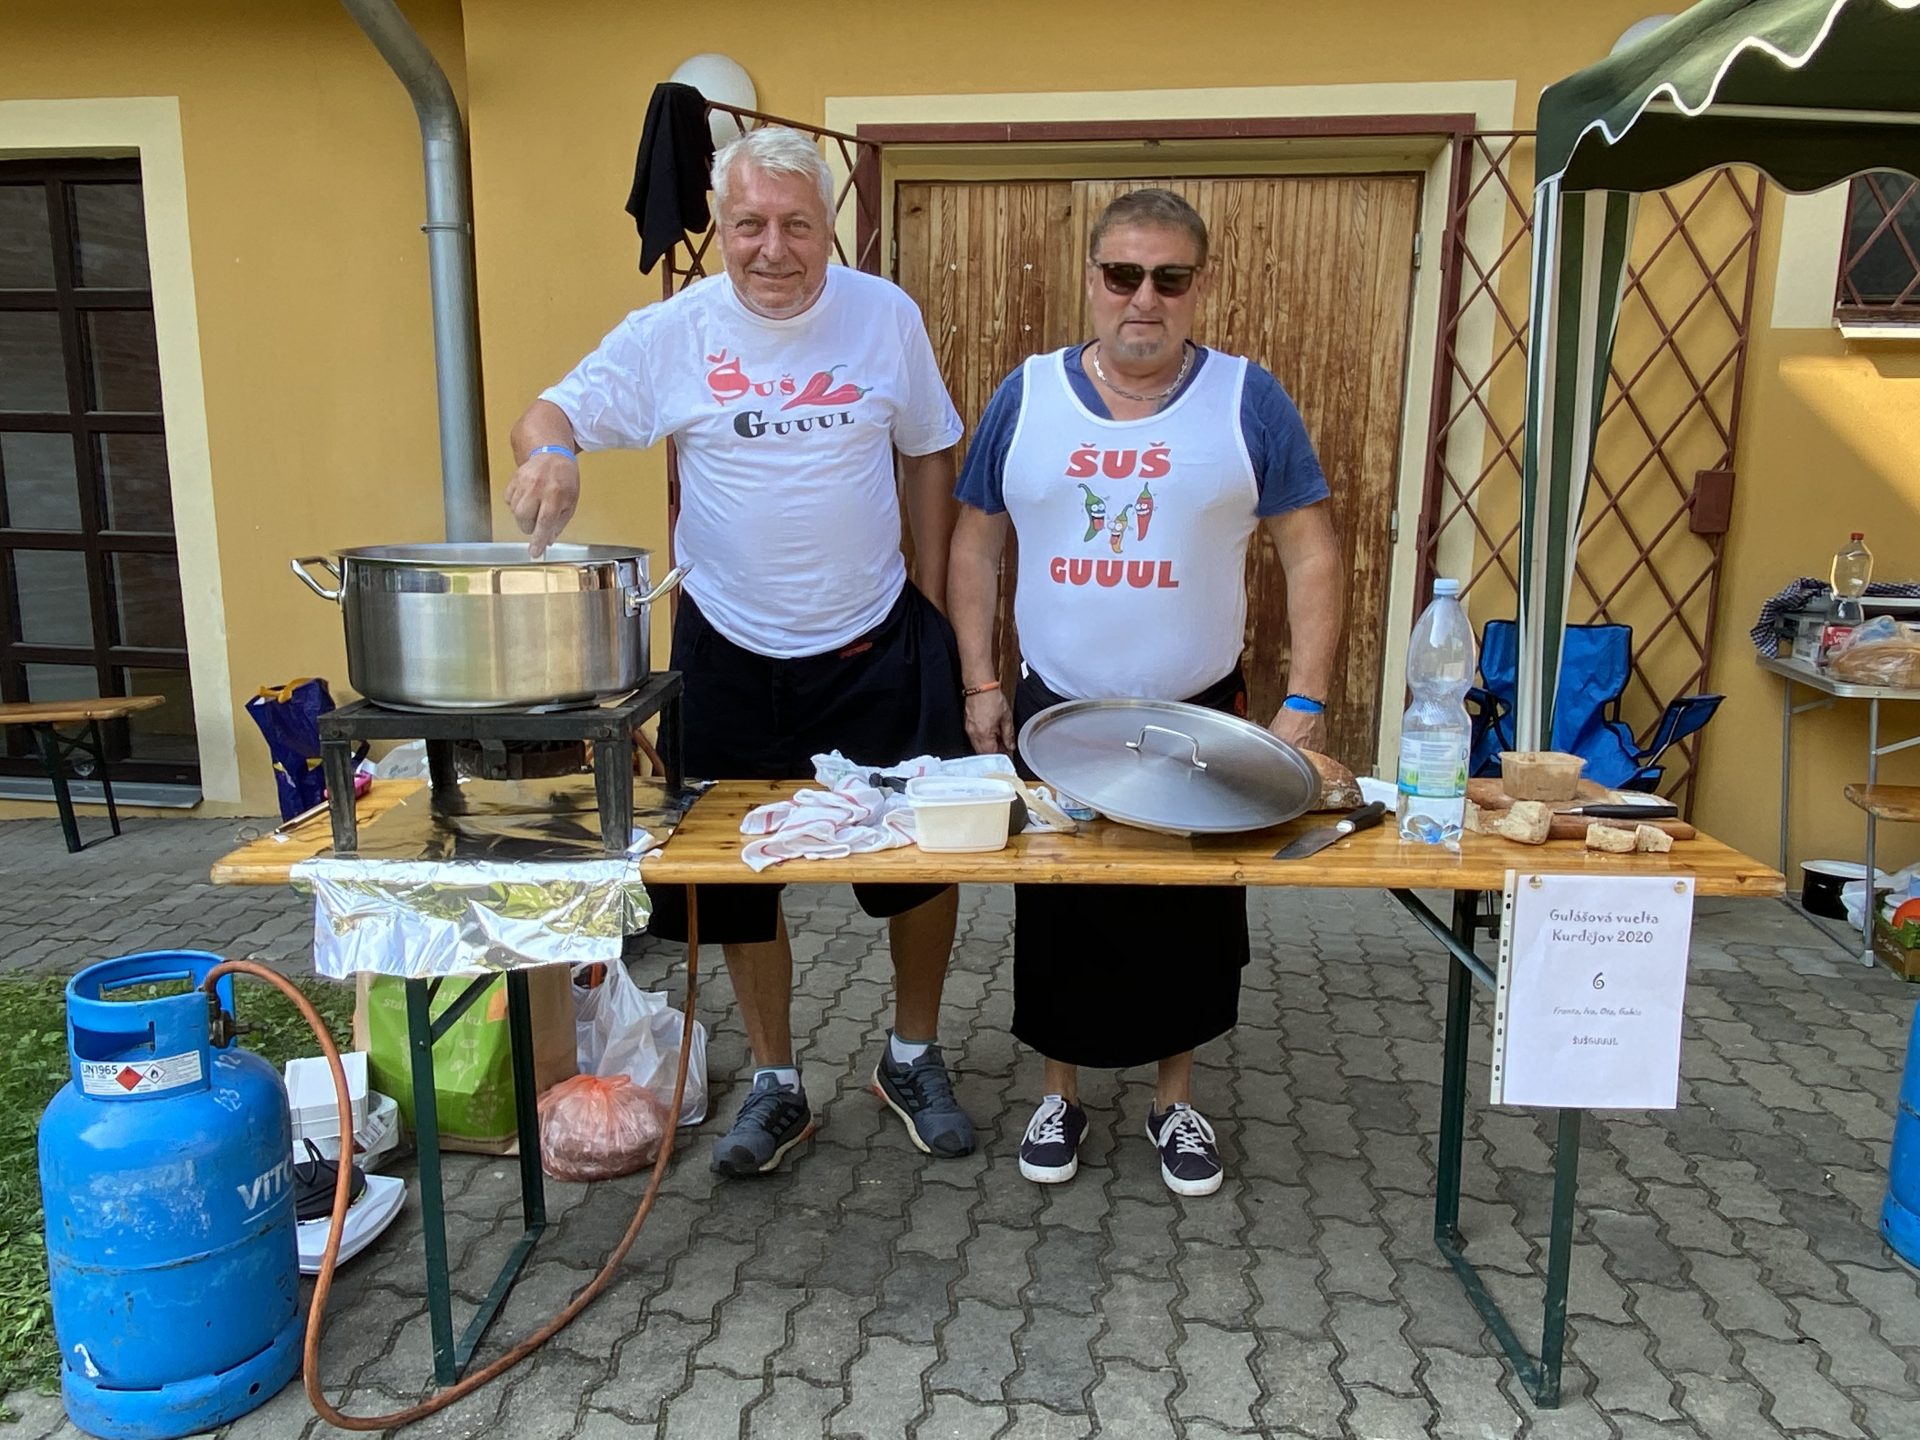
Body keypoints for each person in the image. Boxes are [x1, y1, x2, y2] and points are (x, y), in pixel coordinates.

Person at [506, 126, 975, 1177]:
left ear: (828, 228)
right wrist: (552, 454)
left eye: (796, 225)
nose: (773, 248)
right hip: (726, 649)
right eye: (750, 224)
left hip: (877, 641)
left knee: (921, 860)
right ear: (720, 226)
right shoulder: (671, 332)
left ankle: (912, 1054)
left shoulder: (884, 316)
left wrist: (935, 601)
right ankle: (776, 1082)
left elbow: (929, 448)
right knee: (733, 876)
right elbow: (549, 411)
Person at [948, 188, 1342, 1197]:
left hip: (1197, 710)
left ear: (1199, 286)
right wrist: (981, 679)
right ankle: (1060, 1095)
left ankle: (1175, 1102)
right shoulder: (1026, 395)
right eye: (1123, 274)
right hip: (1057, 709)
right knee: (1060, 912)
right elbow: (976, 543)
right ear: (1091, 278)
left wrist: (1304, 703)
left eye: (1170, 278)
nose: (1144, 298)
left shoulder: (1248, 398)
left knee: (1187, 917)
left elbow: (1309, 551)